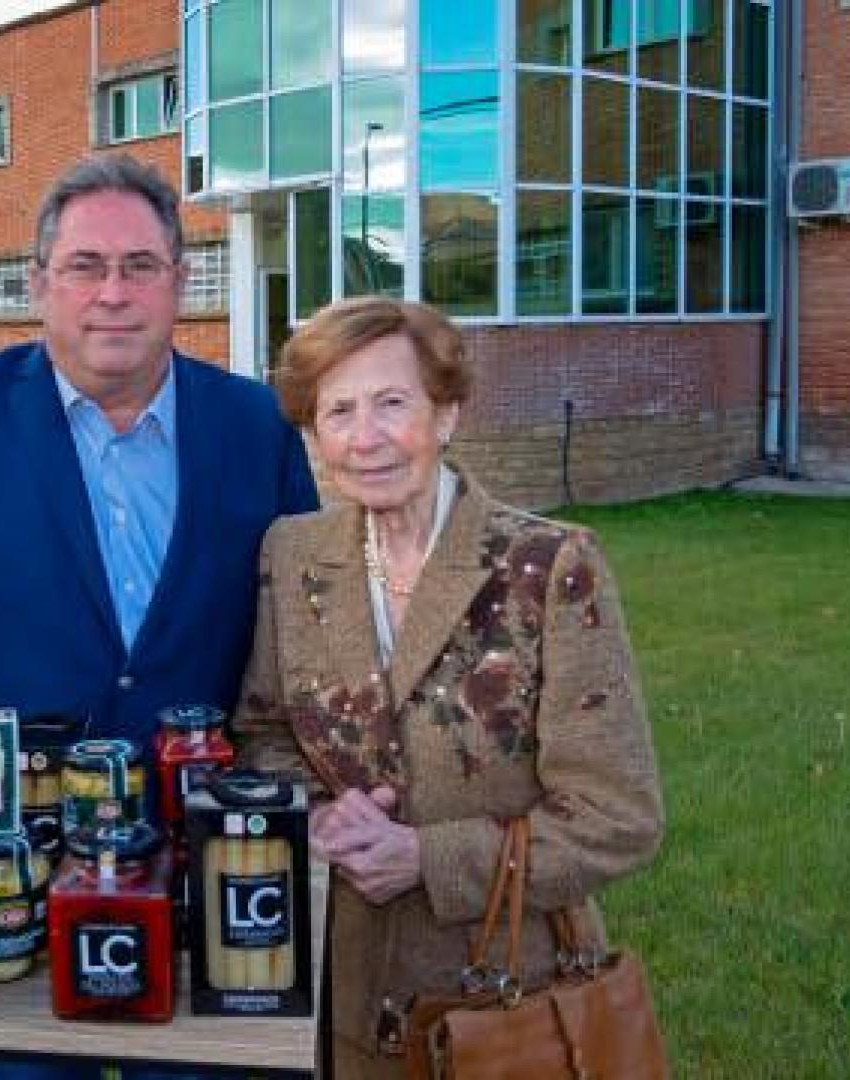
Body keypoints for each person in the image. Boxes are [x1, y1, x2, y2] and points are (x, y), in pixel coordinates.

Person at [0, 153, 318, 1079]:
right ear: (40, 283)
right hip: (12, 865)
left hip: (206, 862)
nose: (114, 294)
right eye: (86, 266)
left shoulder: (252, 423)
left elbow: (303, 622)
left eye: (141, 266)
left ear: (180, 282)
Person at [233, 297, 664, 1079]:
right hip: (340, 985)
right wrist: (322, 813)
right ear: (315, 435)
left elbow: (620, 817)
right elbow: (262, 735)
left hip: (505, 995)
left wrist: (425, 857)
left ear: (446, 415)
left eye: (392, 404)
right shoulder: (292, 553)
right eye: (339, 412)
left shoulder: (548, 566)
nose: (365, 438)